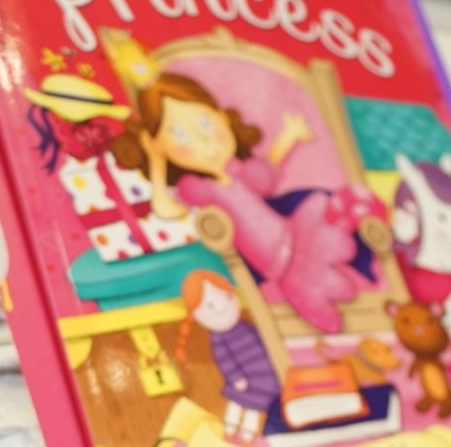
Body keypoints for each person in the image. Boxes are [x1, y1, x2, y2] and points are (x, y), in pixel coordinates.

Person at [110, 70, 362, 333]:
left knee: (320, 209)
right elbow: (165, 208)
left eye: (205, 123)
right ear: (160, 147)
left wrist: (288, 135)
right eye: (181, 135)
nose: (205, 140)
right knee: (326, 291)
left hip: (295, 235)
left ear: (221, 117)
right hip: (275, 266)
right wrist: (156, 161)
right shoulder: (198, 188)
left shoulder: (238, 169)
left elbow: (267, 174)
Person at [176, 269, 280, 444]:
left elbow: (262, 341)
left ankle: (248, 438)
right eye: (210, 306)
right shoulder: (218, 337)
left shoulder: (244, 326)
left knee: (254, 409)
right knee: (236, 405)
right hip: (242, 379)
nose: (221, 307)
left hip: (263, 375)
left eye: (226, 298)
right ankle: (229, 432)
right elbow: (224, 359)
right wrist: (235, 377)